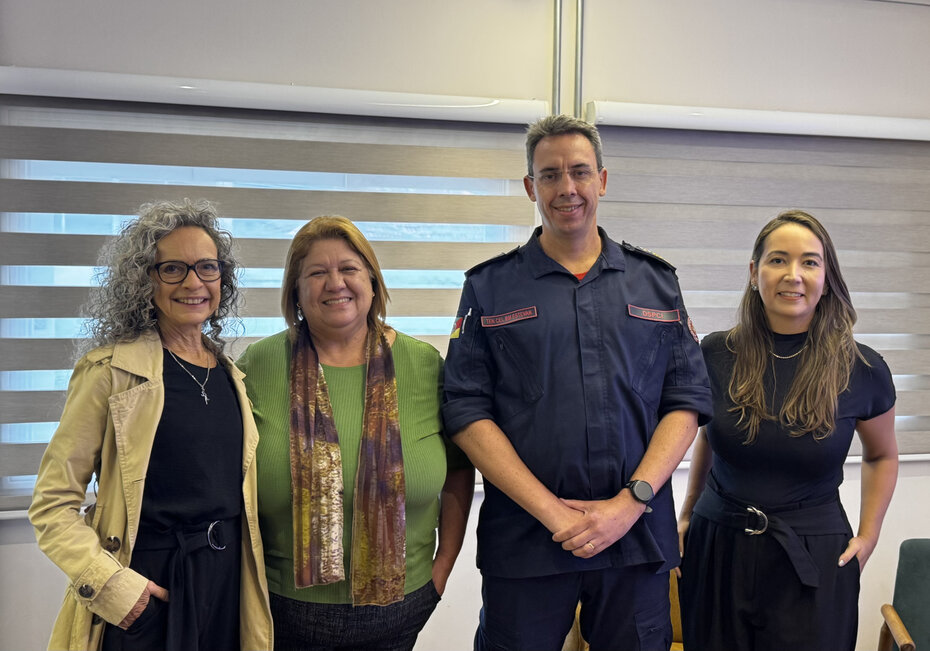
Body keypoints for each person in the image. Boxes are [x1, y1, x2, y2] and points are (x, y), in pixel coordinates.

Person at [441, 114, 713, 651]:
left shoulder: (657, 282)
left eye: (580, 172)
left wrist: (628, 504)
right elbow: (466, 411)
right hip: (526, 542)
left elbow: (685, 401)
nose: (567, 188)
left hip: (635, 538)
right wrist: (553, 512)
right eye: (550, 175)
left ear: (603, 180)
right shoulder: (488, 287)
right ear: (529, 187)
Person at [28, 199, 273, 651]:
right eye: (173, 269)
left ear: (224, 278)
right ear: (145, 280)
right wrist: (117, 589)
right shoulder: (109, 373)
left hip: (227, 586)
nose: (194, 282)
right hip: (148, 589)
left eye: (207, 267)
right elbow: (51, 505)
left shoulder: (230, 376)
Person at [236, 215, 475, 651]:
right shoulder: (257, 365)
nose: (335, 283)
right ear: (295, 290)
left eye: (348, 268)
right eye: (316, 272)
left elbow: (459, 469)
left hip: (403, 609)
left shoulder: (424, 365)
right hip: (283, 611)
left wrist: (442, 569)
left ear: (371, 279)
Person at [677, 210, 898, 651]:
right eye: (778, 260)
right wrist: (687, 512)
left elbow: (881, 456)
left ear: (826, 276)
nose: (793, 275)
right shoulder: (716, 352)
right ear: (754, 273)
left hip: (814, 557)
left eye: (810, 262)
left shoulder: (863, 368)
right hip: (719, 546)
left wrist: (869, 535)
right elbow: (708, 436)